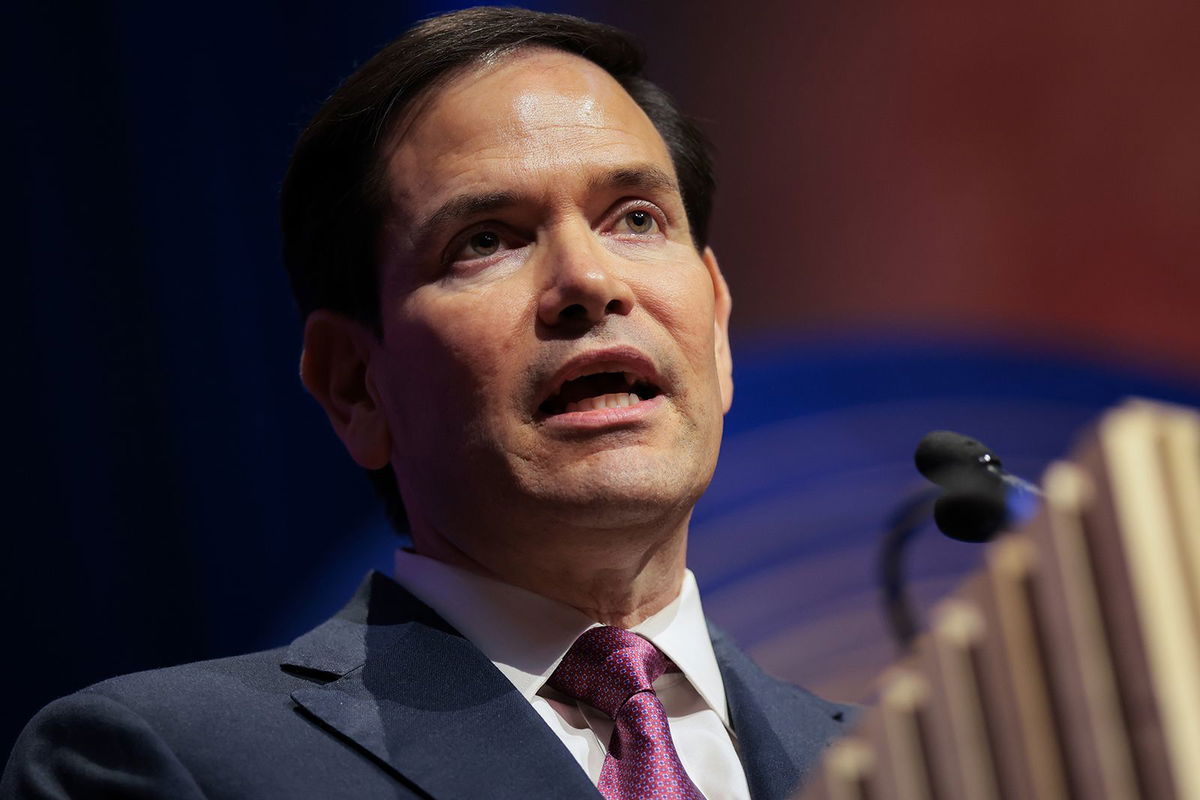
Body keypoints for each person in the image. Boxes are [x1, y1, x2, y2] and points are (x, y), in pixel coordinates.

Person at [2, 7, 853, 799]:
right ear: (353, 384)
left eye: (634, 218)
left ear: (717, 328)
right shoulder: (168, 762)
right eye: (485, 240)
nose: (590, 283)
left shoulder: (896, 765)